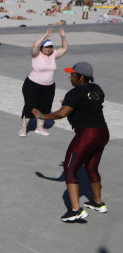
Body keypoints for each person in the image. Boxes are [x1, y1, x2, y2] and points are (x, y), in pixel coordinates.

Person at [32, 62, 109, 222]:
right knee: (91, 167)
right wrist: (74, 105)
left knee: (70, 169)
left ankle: (76, 210)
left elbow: (62, 114)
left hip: (87, 134)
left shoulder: (74, 93)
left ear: (81, 77)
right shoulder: (97, 89)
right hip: (102, 133)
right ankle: (98, 203)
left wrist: (41, 116)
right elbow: (95, 104)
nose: (70, 77)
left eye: (73, 74)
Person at [19, 28, 68, 137]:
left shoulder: (53, 55)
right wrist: (46, 35)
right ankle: (24, 127)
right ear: (42, 47)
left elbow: (65, 48)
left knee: (45, 106)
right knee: (30, 106)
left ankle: (39, 127)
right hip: (32, 85)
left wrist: (63, 36)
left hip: (49, 86)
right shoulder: (36, 54)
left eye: (50, 47)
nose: (49, 49)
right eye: (46, 47)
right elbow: (35, 45)